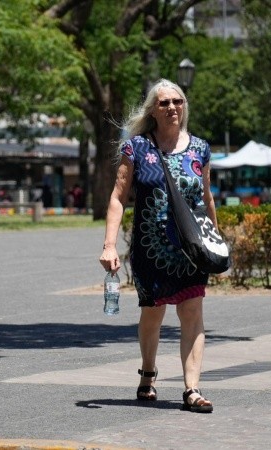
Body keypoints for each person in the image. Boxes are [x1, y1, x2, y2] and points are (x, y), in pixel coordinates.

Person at [99, 79, 217, 413]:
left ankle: (191, 388)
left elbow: (207, 199)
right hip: (150, 249)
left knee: (192, 312)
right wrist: (110, 244)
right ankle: (148, 371)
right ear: (153, 109)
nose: (172, 108)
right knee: (153, 313)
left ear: (184, 106)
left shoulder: (200, 149)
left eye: (177, 101)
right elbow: (118, 198)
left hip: (191, 249)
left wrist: (215, 244)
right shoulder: (136, 148)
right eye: (164, 103)